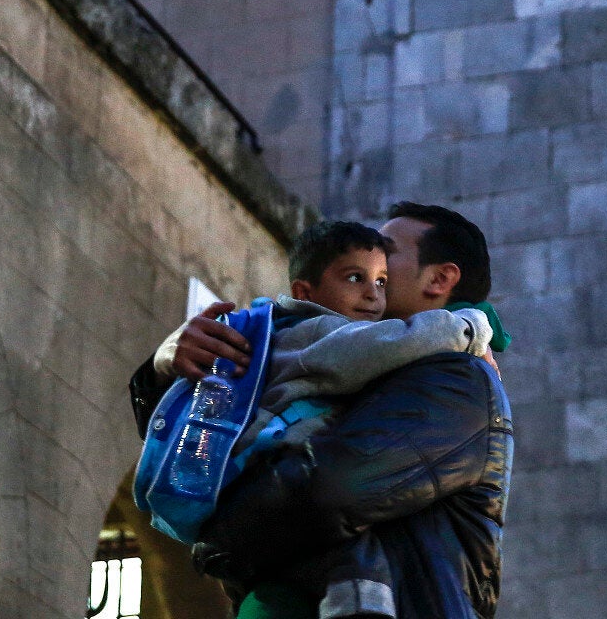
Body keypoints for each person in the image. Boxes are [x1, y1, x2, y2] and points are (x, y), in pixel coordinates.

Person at [128, 203, 512, 619]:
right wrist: (166, 369)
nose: (372, 263)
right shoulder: (338, 350)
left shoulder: (456, 376)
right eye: (356, 274)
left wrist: (215, 537)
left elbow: (328, 490)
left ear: (439, 279)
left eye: (386, 254)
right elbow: (202, 439)